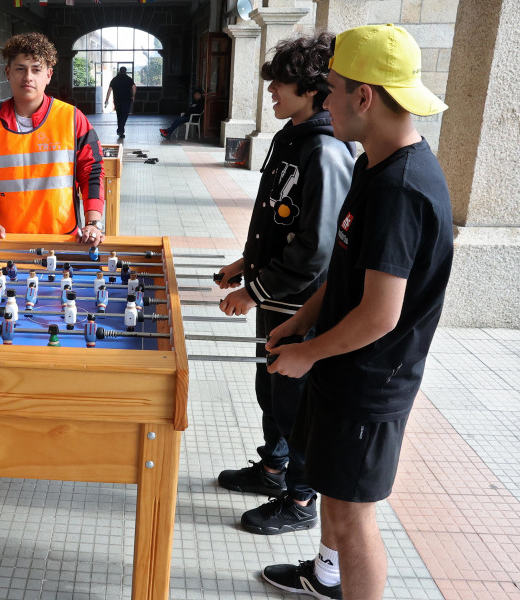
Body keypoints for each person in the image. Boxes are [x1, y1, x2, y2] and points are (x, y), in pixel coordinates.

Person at [260, 24, 452, 600]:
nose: (326, 99)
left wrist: (306, 353)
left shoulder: (401, 188)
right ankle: (325, 578)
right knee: (333, 496)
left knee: (353, 518)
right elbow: (346, 273)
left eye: (333, 87)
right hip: (342, 369)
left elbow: (380, 316)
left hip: (370, 382)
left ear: (363, 96)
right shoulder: (374, 164)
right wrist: (300, 321)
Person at [214, 33, 355, 537]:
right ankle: (272, 470)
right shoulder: (291, 134)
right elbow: (278, 219)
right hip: (276, 293)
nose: (271, 91)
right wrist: (244, 263)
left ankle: (299, 498)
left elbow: (316, 248)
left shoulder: (325, 149)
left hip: (301, 302)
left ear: (314, 89)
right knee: (269, 387)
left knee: (294, 401)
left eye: (282, 83)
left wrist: (252, 291)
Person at [0, 33, 105, 248]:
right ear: (8, 73)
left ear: (48, 75)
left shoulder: (72, 119)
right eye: (20, 69)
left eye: (36, 69)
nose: (28, 77)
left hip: (63, 239)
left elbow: (92, 172)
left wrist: (93, 223)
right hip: (6, 240)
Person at [104, 65, 136, 137]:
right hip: (127, 100)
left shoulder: (114, 79)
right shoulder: (129, 79)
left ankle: (120, 130)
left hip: (117, 100)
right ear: (125, 71)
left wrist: (107, 99)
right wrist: (133, 96)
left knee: (119, 115)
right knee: (124, 115)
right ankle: (120, 130)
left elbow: (109, 90)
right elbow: (134, 87)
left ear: (119, 71)